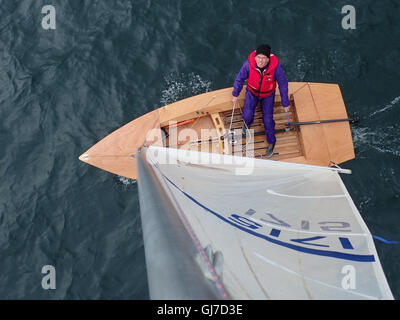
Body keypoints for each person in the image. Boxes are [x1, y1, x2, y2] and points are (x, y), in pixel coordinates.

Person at [232, 44, 290, 157]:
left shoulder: (276, 68)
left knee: (268, 120)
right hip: (251, 92)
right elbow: (239, 79)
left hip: (268, 95)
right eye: (259, 57)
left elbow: (283, 84)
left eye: (264, 58)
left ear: (268, 59)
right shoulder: (248, 65)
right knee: (247, 115)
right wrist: (235, 94)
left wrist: (285, 102)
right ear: (255, 57)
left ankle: (272, 142)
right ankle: (247, 124)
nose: (261, 61)